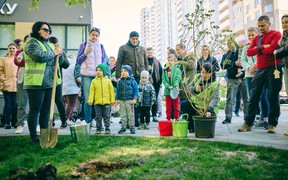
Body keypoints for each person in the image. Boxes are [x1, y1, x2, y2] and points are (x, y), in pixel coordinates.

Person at [238, 15, 282, 133]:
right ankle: (248, 123)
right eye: (259, 26)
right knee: (253, 96)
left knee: (273, 96)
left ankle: (272, 124)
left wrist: (258, 49)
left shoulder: (276, 34)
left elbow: (272, 49)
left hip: (274, 68)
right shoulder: (257, 38)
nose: (260, 28)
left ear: (269, 24)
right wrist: (262, 47)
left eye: (263, 25)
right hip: (259, 70)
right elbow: (248, 52)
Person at [24, 21, 62, 144]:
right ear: (36, 30)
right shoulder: (31, 43)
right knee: (35, 110)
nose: (48, 32)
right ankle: (34, 137)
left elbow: (58, 61)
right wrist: (54, 53)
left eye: (49, 31)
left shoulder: (48, 44)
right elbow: (39, 56)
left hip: (49, 82)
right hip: (36, 83)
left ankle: (44, 136)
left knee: (46, 111)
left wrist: (60, 54)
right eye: (45, 30)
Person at [75, 27, 109, 127]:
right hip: (86, 76)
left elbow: (105, 62)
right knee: (87, 99)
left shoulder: (101, 47)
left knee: (98, 99)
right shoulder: (83, 45)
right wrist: (85, 52)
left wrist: (105, 75)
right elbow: (78, 61)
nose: (94, 37)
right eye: (93, 34)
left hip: (98, 77)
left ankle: (97, 120)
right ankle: (88, 121)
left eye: (96, 35)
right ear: (89, 34)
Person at [116, 31, 148, 127]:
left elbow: (146, 62)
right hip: (128, 77)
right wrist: (118, 76)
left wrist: (147, 76)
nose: (135, 40)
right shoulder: (123, 48)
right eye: (133, 38)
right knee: (128, 99)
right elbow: (119, 62)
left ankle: (136, 119)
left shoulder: (142, 49)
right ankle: (127, 120)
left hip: (141, 77)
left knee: (138, 98)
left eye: (136, 39)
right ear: (129, 39)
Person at [241, 27, 269, 129]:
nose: (251, 37)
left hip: (261, 74)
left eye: (253, 35)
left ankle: (265, 119)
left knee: (263, 96)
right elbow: (243, 60)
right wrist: (249, 68)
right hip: (249, 75)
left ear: (257, 35)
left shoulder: (262, 46)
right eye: (249, 35)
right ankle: (252, 119)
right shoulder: (245, 48)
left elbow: (264, 58)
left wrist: (255, 67)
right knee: (251, 98)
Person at [181, 63, 220, 133]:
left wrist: (209, 110)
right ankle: (191, 127)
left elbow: (214, 99)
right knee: (184, 104)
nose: (205, 75)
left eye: (208, 73)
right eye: (203, 72)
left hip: (206, 107)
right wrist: (194, 89)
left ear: (212, 73)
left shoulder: (215, 84)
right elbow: (188, 88)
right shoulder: (197, 77)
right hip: (195, 104)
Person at [220, 39, 249, 124]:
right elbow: (222, 65)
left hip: (243, 78)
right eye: (227, 44)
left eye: (230, 43)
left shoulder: (241, 52)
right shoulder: (226, 55)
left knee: (246, 99)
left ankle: (247, 118)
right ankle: (228, 118)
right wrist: (234, 64)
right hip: (232, 79)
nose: (229, 45)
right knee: (230, 99)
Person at [49, 36, 73, 128]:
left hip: (57, 81)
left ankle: (64, 120)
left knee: (59, 101)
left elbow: (66, 65)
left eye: (56, 45)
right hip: (47, 81)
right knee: (47, 102)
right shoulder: (47, 52)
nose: (55, 47)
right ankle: (51, 121)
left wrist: (60, 55)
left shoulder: (61, 52)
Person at [88, 64, 115, 134]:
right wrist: (90, 100)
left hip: (107, 102)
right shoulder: (94, 81)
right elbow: (92, 91)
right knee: (98, 116)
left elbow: (111, 91)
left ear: (104, 72)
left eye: (100, 70)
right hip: (97, 102)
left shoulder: (108, 81)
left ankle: (107, 128)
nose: (98, 72)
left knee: (106, 116)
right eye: (97, 70)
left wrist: (112, 100)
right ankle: (99, 128)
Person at [273, 14, 288, 135]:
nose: (284, 25)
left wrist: (278, 51)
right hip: (286, 68)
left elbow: (281, 50)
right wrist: (278, 51)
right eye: (283, 22)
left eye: (287, 22)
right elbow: (277, 53)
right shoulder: (283, 37)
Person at [116, 65, 139, 134]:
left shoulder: (132, 81)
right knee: (123, 115)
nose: (123, 73)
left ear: (129, 72)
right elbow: (118, 91)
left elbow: (136, 90)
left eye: (125, 71)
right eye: (122, 71)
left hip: (130, 101)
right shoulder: (120, 82)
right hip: (122, 100)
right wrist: (116, 99)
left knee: (130, 115)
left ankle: (132, 127)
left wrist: (135, 99)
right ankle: (123, 127)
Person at [14, 34, 30, 134]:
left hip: (34, 80)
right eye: (27, 41)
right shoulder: (19, 51)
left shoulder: (36, 51)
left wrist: (25, 61)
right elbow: (17, 62)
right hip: (21, 80)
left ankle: (37, 125)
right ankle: (20, 124)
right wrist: (29, 61)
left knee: (35, 105)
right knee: (21, 104)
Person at [0, 43, 18, 129]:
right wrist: (3, 79)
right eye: (10, 48)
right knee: (8, 104)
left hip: (16, 85)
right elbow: (0, 70)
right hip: (6, 84)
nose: (12, 50)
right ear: (8, 49)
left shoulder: (18, 59)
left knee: (15, 104)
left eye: (13, 48)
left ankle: (14, 122)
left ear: (16, 49)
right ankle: (7, 123)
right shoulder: (3, 59)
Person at [62, 54, 80, 124]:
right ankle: (67, 119)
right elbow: (77, 77)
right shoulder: (75, 65)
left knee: (67, 104)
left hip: (64, 88)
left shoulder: (64, 66)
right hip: (73, 88)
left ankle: (68, 118)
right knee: (71, 105)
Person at [162, 54, 181, 121]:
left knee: (176, 107)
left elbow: (178, 78)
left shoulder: (177, 70)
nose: (170, 62)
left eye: (171, 60)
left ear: (174, 61)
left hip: (175, 91)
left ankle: (177, 119)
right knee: (168, 107)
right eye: (169, 60)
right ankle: (168, 119)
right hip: (168, 91)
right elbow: (163, 80)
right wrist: (168, 86)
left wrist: (175, 85)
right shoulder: (165, 70)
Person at [146, 47, 162, 122]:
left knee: (154, 99)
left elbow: (160, 72)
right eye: (148, 52)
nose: (149, 54)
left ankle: (154, 115)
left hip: (156, 83)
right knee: (146, 99)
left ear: (153, 52)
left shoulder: (156, 61)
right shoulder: (144, 61)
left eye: (151, 52)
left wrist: (159, 82)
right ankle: (147, 115)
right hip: (146, 83)